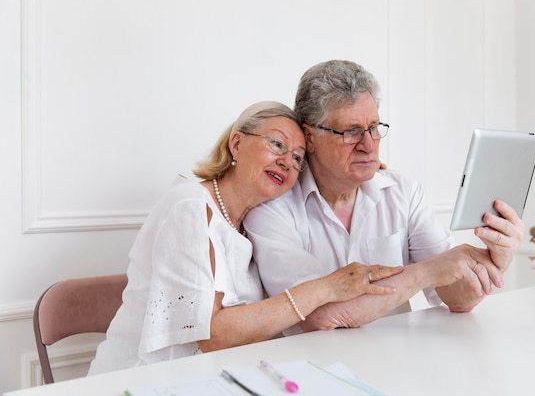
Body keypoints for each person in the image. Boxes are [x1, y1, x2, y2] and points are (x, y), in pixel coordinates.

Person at [88, 101, 403, 374]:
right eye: (277, 145)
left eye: (298, 159)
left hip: (211, 378)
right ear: (236, 143)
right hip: (141, 381)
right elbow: (212, 335)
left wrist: (352, 172)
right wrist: (329, 286)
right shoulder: (189, 206)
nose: (286, 162)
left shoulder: (249, 224)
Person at [244, 61, 524, 333]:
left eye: (374, 128)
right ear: (310, 137)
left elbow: (457, 298)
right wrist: (426, 272)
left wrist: (496, 260)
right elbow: (319, 315)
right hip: (310, 371)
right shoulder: (272, 209)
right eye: (351, 132)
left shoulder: (403, 193)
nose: (368, 145)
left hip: (395, 366)